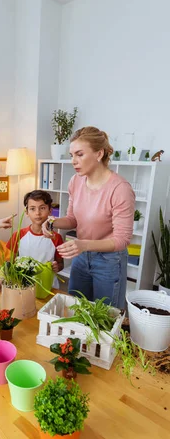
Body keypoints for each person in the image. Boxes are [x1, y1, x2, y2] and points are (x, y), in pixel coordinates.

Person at [42, 126, 135, 309]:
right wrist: (52, 222)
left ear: (99, 154)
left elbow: (122, 239)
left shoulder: (120, 189)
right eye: (71, 155)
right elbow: (72, 219)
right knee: (77, 309)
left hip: (109, 260)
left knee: (105, 317)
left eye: (79, 154)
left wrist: (83, 244)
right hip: (81, 255)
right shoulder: (75, 181)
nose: (73, 161)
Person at [0, 190, 64, 292]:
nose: (38, 213)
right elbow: (9, 262)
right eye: (32, 209)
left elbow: (61, 264)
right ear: (26, 212)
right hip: (23, 286)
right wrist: (2, 278)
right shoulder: (18, 235)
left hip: (48, 287)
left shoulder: (56, 238)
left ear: (50, 211)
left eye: (42, 208)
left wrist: (57, 267)